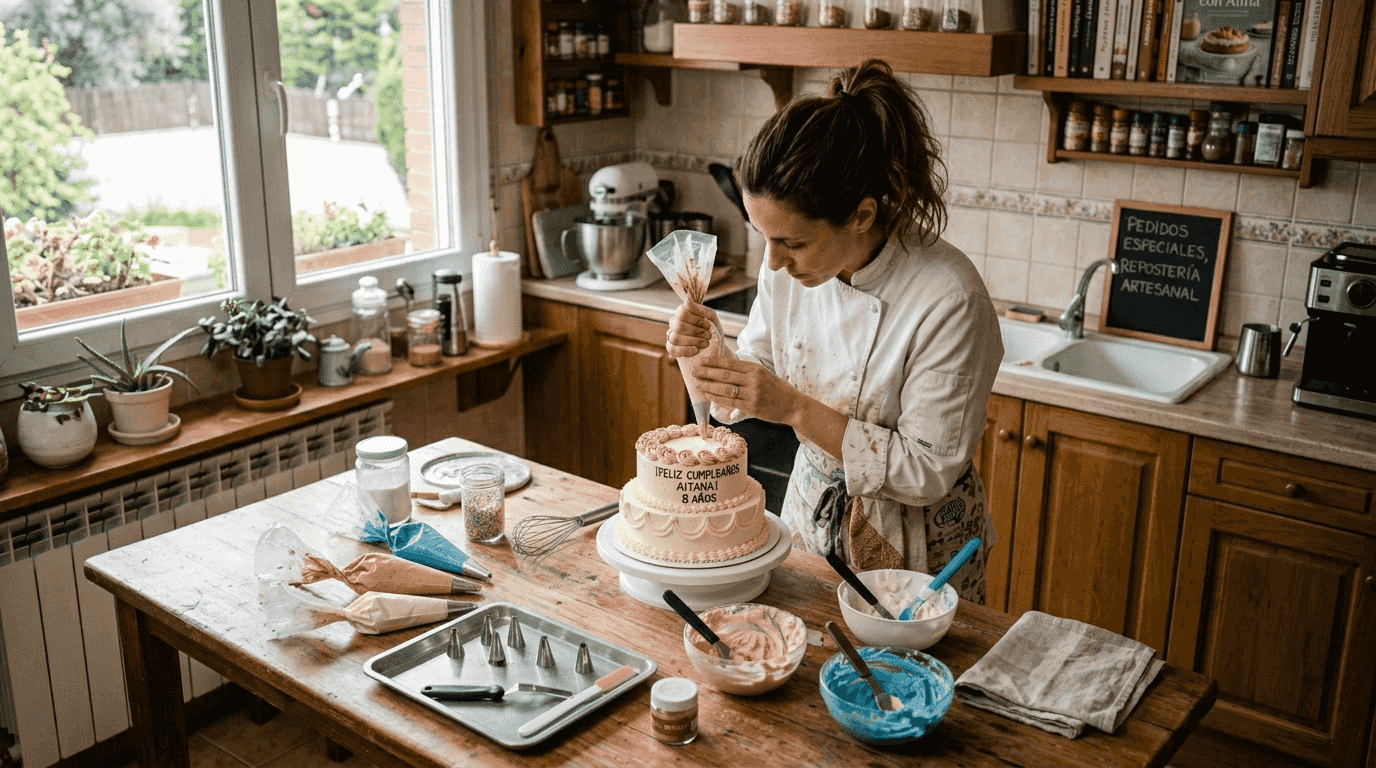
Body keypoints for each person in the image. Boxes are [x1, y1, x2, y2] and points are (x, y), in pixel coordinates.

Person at [665, 59, 1003, 604]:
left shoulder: (950, 298)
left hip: (918, 552)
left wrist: (794, 408)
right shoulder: (793, 269)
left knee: (913, 685)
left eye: (792, 243)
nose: (772, 263)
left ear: (863, 215)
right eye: (764, 238)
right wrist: (708, 355)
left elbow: (925, 469)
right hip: (810, 515)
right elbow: (758, 375)